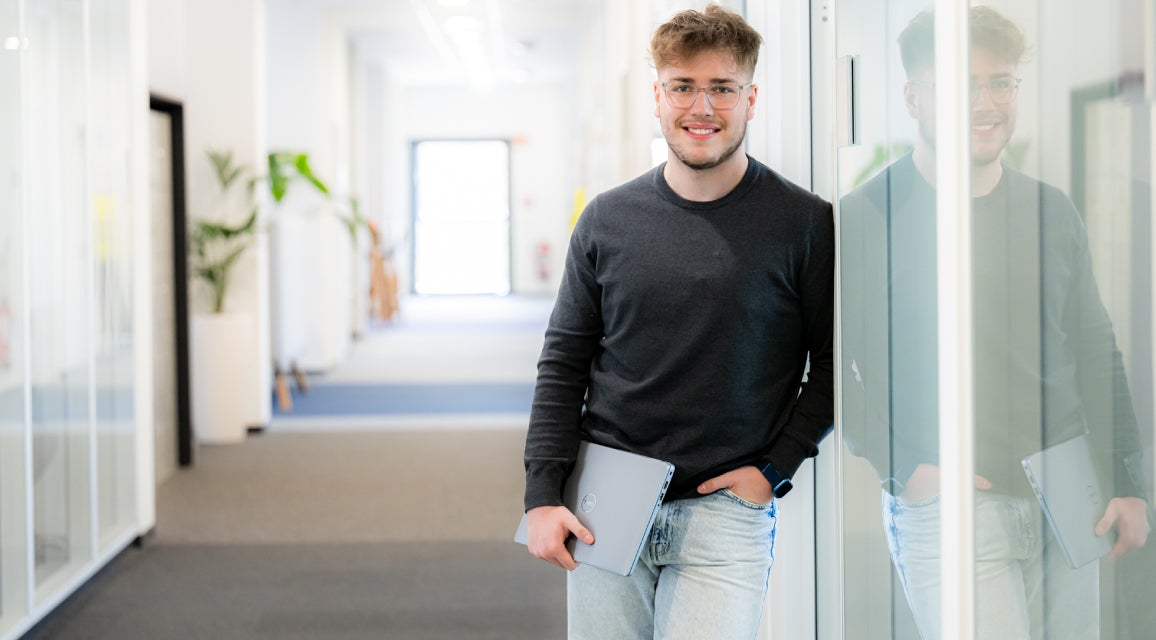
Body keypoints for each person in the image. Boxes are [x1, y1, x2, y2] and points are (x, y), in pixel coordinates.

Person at [520, 5, 834, 639]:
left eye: (722, 87)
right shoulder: (607, 220)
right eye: (683, 86)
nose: (702, 107)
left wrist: (775, 469)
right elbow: (563, 364)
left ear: (752, 98)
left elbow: (834, 364)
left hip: (725, 513)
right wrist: (542, 494)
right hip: (605, 501)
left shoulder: (803, 222)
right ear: (657, 97)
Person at [840, 6, 1151, 639]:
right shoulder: (868, 216)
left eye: (1001, 82)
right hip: (950, 500)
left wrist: (1126, 481)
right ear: (914, 97)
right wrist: (905, 464)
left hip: (1068, 494)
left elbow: (1095, 351)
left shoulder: (1050, 210)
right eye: (962, 84)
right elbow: (834, 367)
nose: (986, 103)